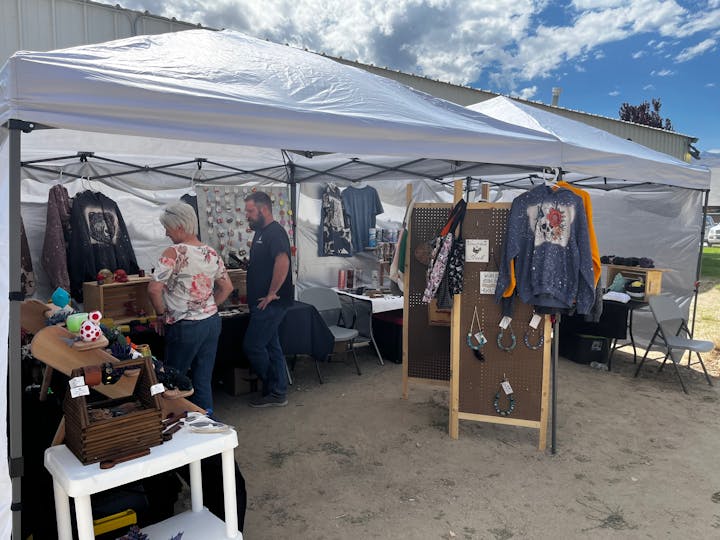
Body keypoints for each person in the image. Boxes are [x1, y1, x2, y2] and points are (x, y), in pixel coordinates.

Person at [148, 201, 233, 411]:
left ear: (179, 226)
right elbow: (227, 287)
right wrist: (209, 305)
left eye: (167, 228)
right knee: (203, 378)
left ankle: (175, 424)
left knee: (173, 379)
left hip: (185, 325)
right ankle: (208, 423)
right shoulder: (211, 253)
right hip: (211, 323)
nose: (166, 233)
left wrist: (161, 315)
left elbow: (153, 289)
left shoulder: (174, 252)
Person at [243, 191, 293, 407]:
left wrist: (272, 293)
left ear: (263, 210)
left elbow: (283, 261)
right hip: (262, 301)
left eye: (250, 211)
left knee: (253, 346)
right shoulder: (261, 232)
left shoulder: (275, 232)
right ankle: (278, 391)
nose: (247, 215)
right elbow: (268, 262)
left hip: (271, 302)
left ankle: (274, 387)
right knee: (272, 347)